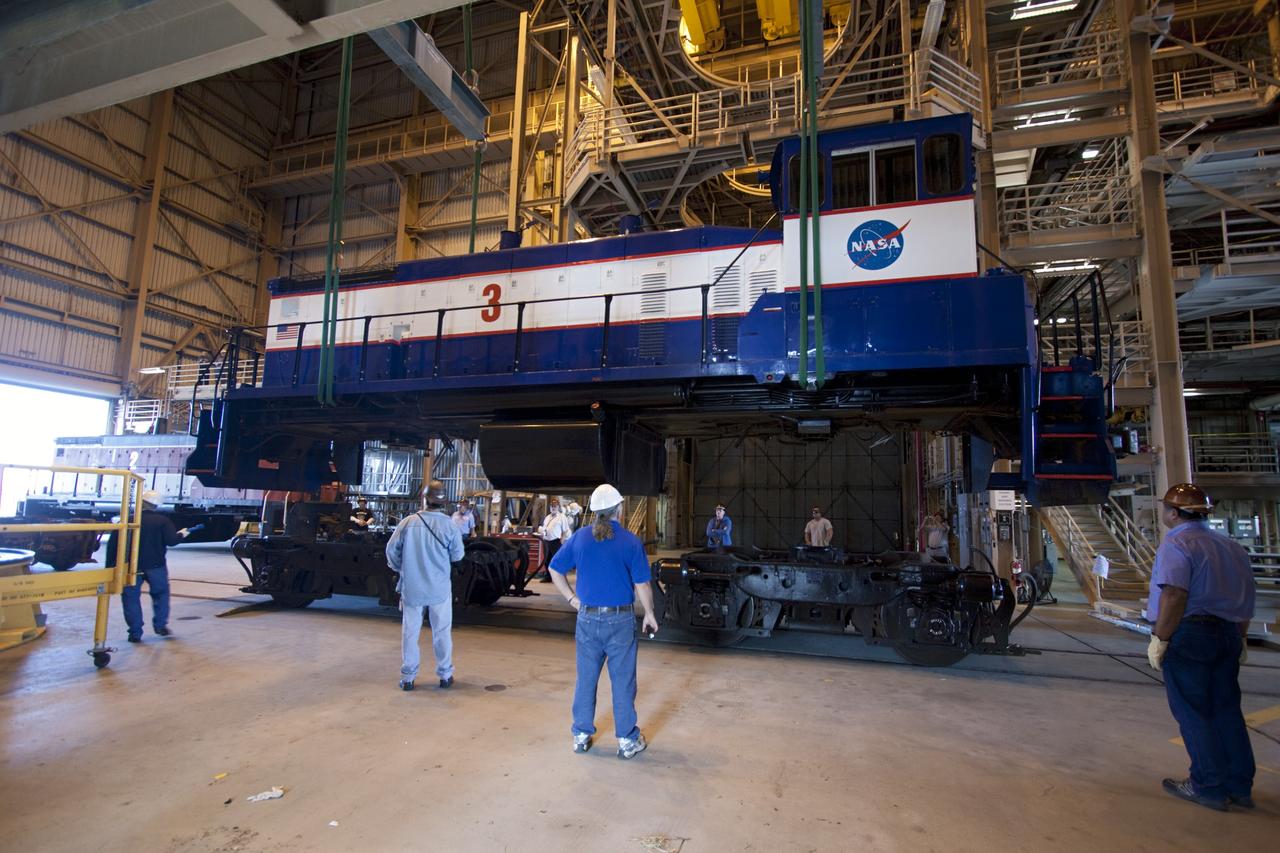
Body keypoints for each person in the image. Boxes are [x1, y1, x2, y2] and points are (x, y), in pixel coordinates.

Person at [1145, 483, 1256, 812]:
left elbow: (1174, 595)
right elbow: (1245, 598)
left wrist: (1161, 638)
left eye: (1166, 508)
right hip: (1229, 634)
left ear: (1174, 513)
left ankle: (1207, 785)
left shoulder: (1178, 544)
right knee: (1226, 710)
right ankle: (1238, 785)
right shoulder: (1231, 546)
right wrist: (1242, 637)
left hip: (1191, 635)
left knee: (1194, 711)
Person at [548, 483, 658, 760]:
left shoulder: (581, 538)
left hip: (587, 619)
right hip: (619, 621)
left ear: (594, 511)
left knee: (586, 679)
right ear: (619, 510)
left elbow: (554, 568)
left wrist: (572, 600)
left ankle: (581, 735)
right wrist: (650, 615)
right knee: (622, 681)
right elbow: (642, 585)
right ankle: (626, 740)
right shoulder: (631, 541)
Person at [386, 479, 466, 691]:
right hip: (439, 589)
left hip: (412, 588)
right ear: (444, 502)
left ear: (424, 499)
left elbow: (391, 551)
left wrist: (401, 568)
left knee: (410, 633)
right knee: (441, 631)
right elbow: (458, 555)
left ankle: (408, 678)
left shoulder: (407, 523)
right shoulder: (450, 525)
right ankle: (445, 675)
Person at [105, 489, 191, 642]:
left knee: (130, 598)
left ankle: (135, 632)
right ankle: (160, 625)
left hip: (131, 567)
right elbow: (171, 541)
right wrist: (181, 534)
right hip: (156, 566)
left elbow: (113, 546)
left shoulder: (127, 521)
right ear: (157, 505)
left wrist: (110, 568)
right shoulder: (162, 521)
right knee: (161, 594)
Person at [536, 498, 573, 583]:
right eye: (552, 506)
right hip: (546, 541)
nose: (553, 507)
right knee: (546, 560)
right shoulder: (547, 517)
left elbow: (566, 530)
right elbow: (545, 528)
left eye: (555, 506)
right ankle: (548, 577)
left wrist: (562, 540)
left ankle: (559, 578)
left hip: (556, 541)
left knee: (556, 560)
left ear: (558, 507)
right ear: (550, 507)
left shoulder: (561, 517)